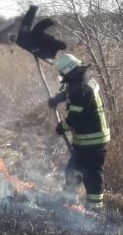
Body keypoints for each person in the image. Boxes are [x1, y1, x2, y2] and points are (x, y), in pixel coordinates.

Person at [47, 52, 110, 212]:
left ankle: (95, 208)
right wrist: (57, 99)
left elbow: (75, 117)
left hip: (93, 140)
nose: (63, 78)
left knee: (91, 175)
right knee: (73, 169)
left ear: (69, 73)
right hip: (86, 140)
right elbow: (70, 93)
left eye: (63, 75)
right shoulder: (82, 81)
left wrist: (62, 127)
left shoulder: (82, 89)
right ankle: (68, 200)